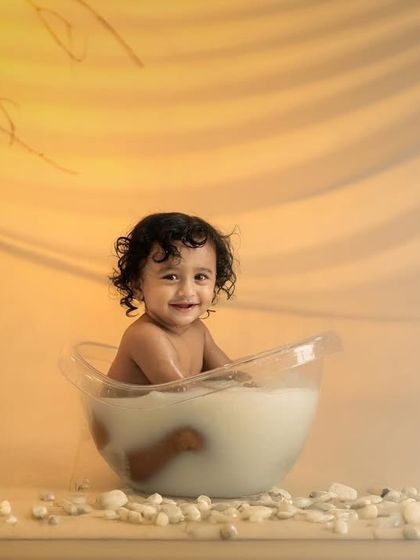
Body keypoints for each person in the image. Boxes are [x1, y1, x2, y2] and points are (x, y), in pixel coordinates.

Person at [108, 212, 236, 385]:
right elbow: (181, 394)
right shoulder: (145, 335)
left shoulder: (199, 331)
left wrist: (259, 391)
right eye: (171, 277)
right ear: (138, 286)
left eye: (200, 277)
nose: (187, 291)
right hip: (125, 412)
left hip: (164, 411)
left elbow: (231, 375)